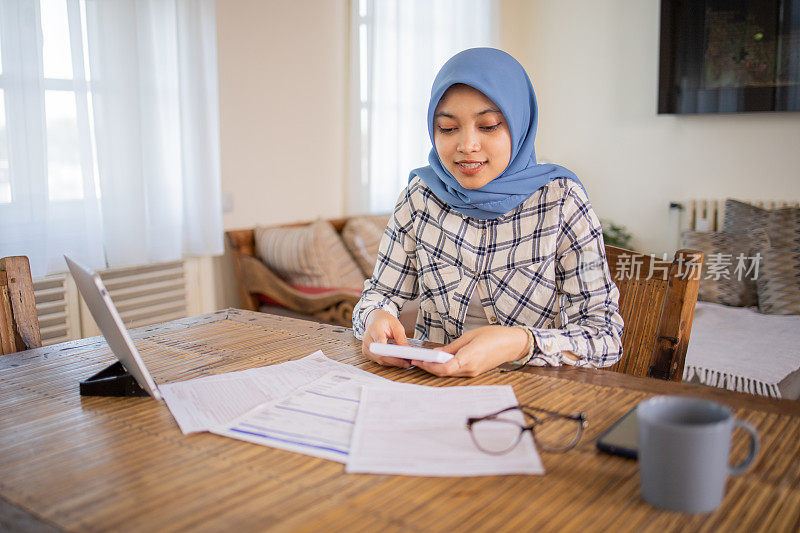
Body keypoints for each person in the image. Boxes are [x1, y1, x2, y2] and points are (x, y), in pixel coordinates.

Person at [352, 47, 623, 377]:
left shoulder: (560, 200)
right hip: (431, 388)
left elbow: (605, 336)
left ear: (519, 123)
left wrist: (519, 343)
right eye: (448, 129)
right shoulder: (420, 197)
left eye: (489, 125)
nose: (467, 145)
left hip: (534, 392)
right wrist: (375, 319)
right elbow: (378, 295)